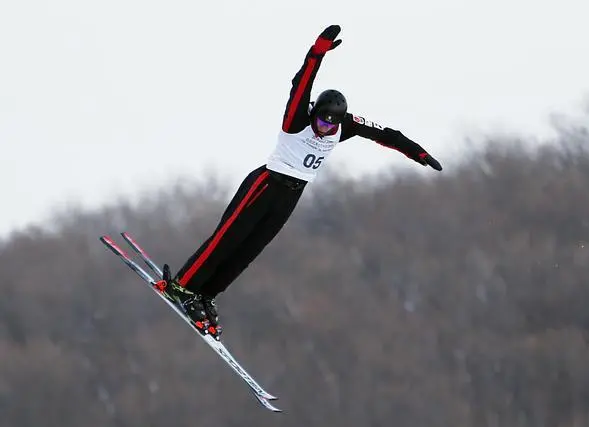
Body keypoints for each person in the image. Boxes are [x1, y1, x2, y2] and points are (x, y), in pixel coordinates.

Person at [158, 25, 442, 340]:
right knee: (227, 239)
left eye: (329, 123)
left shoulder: (341, 126)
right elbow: (301, 82)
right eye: (320, 120)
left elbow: (385, 134)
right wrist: (317, 51)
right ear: (315, 114)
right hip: (265, 185)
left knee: (249, 250)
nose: (323, 128)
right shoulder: (298, 119)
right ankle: (182, 286)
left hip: (291, 195)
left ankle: (206, 294)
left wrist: (417, 152)